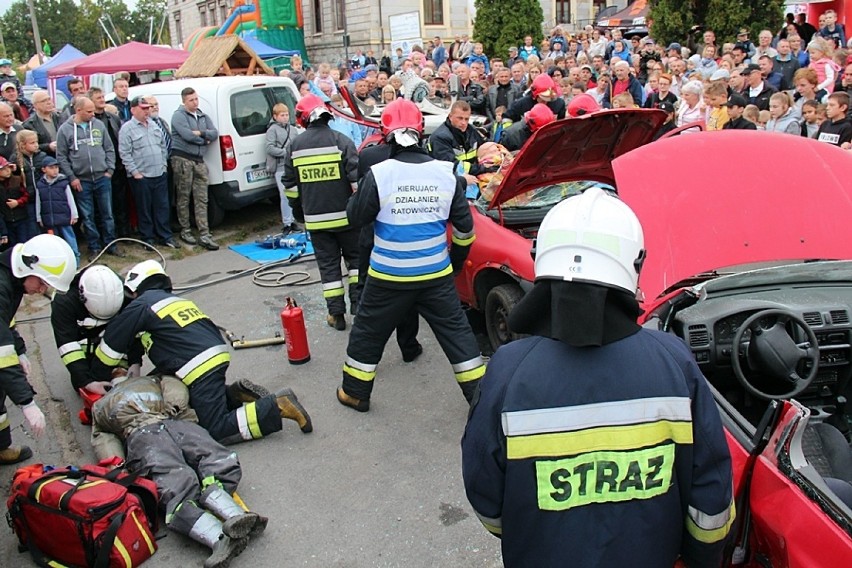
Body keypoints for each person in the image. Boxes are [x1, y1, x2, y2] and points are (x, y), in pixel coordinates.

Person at [461, 188, 735, 567]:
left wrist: (529, 533)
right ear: (634, 264)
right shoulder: (673, 362)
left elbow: (484, 490)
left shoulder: (509, 371)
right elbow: (711, 494)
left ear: (542, 260)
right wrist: (700, 557)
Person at [337, 99, 485, 412]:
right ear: (421, 132)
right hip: (436, 274)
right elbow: (465, 229)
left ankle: (355, 393)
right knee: (457, 334)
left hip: (388, 276)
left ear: (384, 134)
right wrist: (454, 264)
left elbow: (355, 218)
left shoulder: (379, 174)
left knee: (368, 331)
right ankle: (481, 399)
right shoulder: (446, 174)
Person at [89, 259, 312, 442]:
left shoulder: (142, 304)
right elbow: (141, 340)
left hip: (195, 364)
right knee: (177, 398)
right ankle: (231, 394)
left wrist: (96, 377)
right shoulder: (172, 300)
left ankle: (276, 406)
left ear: (135, 288)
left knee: (214, 428)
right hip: (207, 355)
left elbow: (111, 346)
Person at [91, 374, 265, 568]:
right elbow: (175, 386)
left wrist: (117, 466)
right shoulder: (150, 381)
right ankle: (233, 517)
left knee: (174, 484)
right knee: (214, 459)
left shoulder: (100, 407)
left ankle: (220, 535)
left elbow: (103, 440)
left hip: (143, 437)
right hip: (175, 423)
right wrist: (175, 407)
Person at [281, 95, 360, 330]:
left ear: (303, 118)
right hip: (347, 219)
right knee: (356, 264)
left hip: (316, 221)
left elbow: (291, 187)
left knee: (328, 267)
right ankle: (358, 309)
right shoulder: (342, 141)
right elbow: (357, 184)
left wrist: (299, 213)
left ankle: (336, 315)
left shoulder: (295, 146)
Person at [0, 234, 76, 465]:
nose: (42, 289)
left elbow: (6, 322)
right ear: (27, 268)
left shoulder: (11, 280)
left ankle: (1, 448)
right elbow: (1, 355)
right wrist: (27, 404)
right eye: (42, 282)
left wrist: (20, 350)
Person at [56, 96, 123, 259]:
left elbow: (109, 148)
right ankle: (94, 246)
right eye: (89, 111)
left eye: (93, 110)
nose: (93, 114)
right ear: (78, 110)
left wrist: (110, 170)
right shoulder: (65, 130)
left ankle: (110, 243)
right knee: (88, 215)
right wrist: (72, 177)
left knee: (107, 213)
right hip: (81, 180)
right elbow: (61, 156)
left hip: (102, 177)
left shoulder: (99, 125)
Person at [119, 97, 176, 249]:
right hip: (141, 176)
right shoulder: (126, 129)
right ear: (133, 110)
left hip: (159, 173)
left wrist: (163, 166)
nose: (146, 111)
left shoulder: (153, 125)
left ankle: (165, 236)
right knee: (144, 208)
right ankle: (148, 238)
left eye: (147, 108)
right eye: (143, 108)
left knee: (162, 206)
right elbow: (125, 153)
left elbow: (162, 146)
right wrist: (135, 172)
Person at [171, 88, 219, 250]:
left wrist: (201, 133)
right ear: (184, 101)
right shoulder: (178, 116)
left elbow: (214, 133)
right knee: (184, 197)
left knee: (201, 198)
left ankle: (204, 232)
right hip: (183, 159)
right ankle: (185, 229)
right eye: (191, 100)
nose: (195, 102)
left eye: (196, 99)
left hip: (199, 161)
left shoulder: (203, 116)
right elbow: (187, 136)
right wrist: (204, 140)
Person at [428, 100, 493, 189]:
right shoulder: (440, 138)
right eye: (460, 118)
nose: (463, 122)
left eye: (466, 119)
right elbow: (451, 165)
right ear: (450, 116)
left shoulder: (471, 131)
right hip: (451, 183)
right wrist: (482, 168)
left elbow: (485, 146)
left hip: (472, 179)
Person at [34, 156, 79, 263]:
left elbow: (70, 199)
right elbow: (38, 202)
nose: (55, 170)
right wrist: (39, 217)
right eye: (51, 168)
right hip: (49, 219)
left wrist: (74, 214)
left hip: (64, 217)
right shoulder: (40, 185)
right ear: (44, 169)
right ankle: (58, 261)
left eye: (56, 167)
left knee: (70, 239)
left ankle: (75, 259)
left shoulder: (63, 182)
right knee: (54, 242)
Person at [265, 103, 300, 234]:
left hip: (293, 165)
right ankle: (287, 223)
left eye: (286, 115)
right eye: (282, 115)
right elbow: (269, 147)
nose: (285, 118)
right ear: (275, 116)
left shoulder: (293, 129)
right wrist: (286, 152)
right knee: (284, 195)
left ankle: (294, 220)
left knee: (295, 193)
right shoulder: (272, 130)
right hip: (280, 166)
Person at [0, 149, 33, 248]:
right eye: (3, 169)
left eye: (8, 167)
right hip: (7, 221)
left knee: (24, 243)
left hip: (21, 218)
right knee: (12, 247)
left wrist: (18, 202)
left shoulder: (17, 180)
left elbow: (26, 195)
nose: (7, 170)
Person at [22, 90, 60, 157]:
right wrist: (48, 147)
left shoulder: (60, 117)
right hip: (45, 160)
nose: (48, 102)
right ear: (35, 105)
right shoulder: (29, 124)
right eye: (43, 101)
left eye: (49, 99)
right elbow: (28, 147)